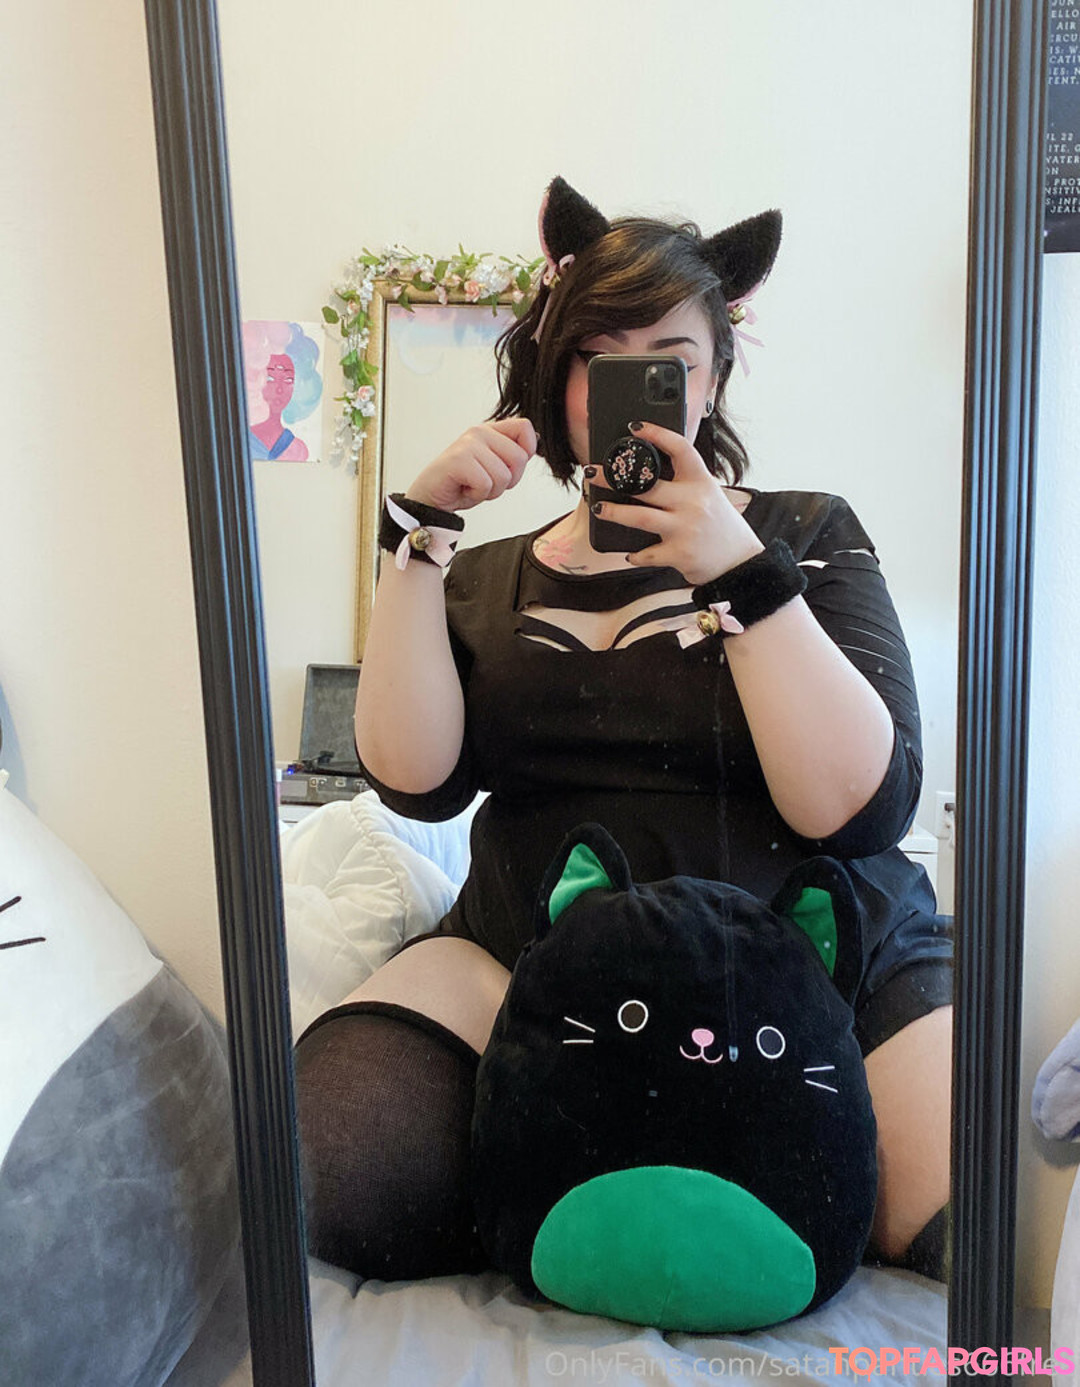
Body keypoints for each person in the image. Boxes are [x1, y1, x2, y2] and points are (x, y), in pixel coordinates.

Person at [293, 178, 954, 1288]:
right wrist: (416, 543)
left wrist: (741, 573)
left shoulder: (806, 531)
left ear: (715, 377)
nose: (636, 388)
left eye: (670, 358)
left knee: (965, 1221)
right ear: (561, 378)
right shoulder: (484, 575)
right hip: (538, 947)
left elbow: (857, 807)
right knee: (333, 1168)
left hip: (814, 950)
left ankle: (636, 1142)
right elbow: (414, 781)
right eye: (601, 356)